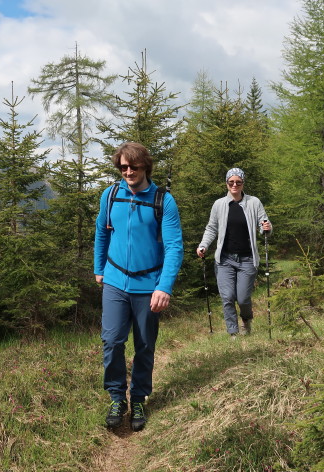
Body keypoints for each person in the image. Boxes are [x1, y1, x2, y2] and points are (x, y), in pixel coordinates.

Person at [94, 142, 183, 431]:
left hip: (149, 285)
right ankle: (117, 397)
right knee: (112, 341)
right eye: (123, 167)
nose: (128, 171)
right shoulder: (110, 196)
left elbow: (174, 246)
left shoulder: (163, 200)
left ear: (145, 165)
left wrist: (164, 286)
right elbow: (101, 233)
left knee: (145, 345)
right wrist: (99, 270)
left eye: (133, 166)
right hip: (116, 282)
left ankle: (140, 397)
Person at [196, 167, 272, 338]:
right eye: (231, 182)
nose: (235, 185)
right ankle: (233, 332)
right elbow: (211, 228)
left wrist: (266, 228)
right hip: (224, 259)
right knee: (228, 297)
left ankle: (246, 321)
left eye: (238, 182)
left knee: (243, 298)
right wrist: (203, 245)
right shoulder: (219, 204)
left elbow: (264, 222)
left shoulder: (254, 202)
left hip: (247, 258)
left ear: (243, 183)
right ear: (226, 183)